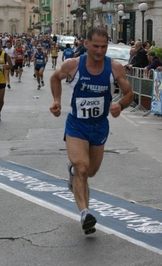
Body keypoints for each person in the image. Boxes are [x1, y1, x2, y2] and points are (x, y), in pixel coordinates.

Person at [49, 27, 133, 235]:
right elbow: (54, 78)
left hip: (100, 126)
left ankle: (72, 174)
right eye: (95, 46)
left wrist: (120, 105)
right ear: (86, 44)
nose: (99, 50)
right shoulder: (73, 65)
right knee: (82, 167)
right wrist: (57, 101)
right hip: (77, 125)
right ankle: (85, 213)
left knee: (91, 172)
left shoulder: (114, 68)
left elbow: (129, 93)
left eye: (103, 46)